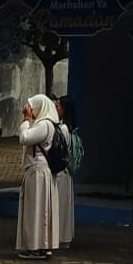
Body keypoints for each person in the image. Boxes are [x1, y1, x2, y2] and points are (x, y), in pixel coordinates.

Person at [16, 95, 60, 259]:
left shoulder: (44, 125)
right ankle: (42, 245)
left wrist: (26, 119)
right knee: (41, 210)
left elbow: (24, 138)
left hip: (38, 171)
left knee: (35, 210)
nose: (30, 110)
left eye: (32, 107)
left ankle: (35, 247)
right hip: (39, 171)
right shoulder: (47, 124)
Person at [54, 97, 75, 251]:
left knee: (60, 207)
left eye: (58, 106)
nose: (56, 108)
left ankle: (61, 237)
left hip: (61, 174)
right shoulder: (66, 127)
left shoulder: (62, 129)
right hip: (63, 174)